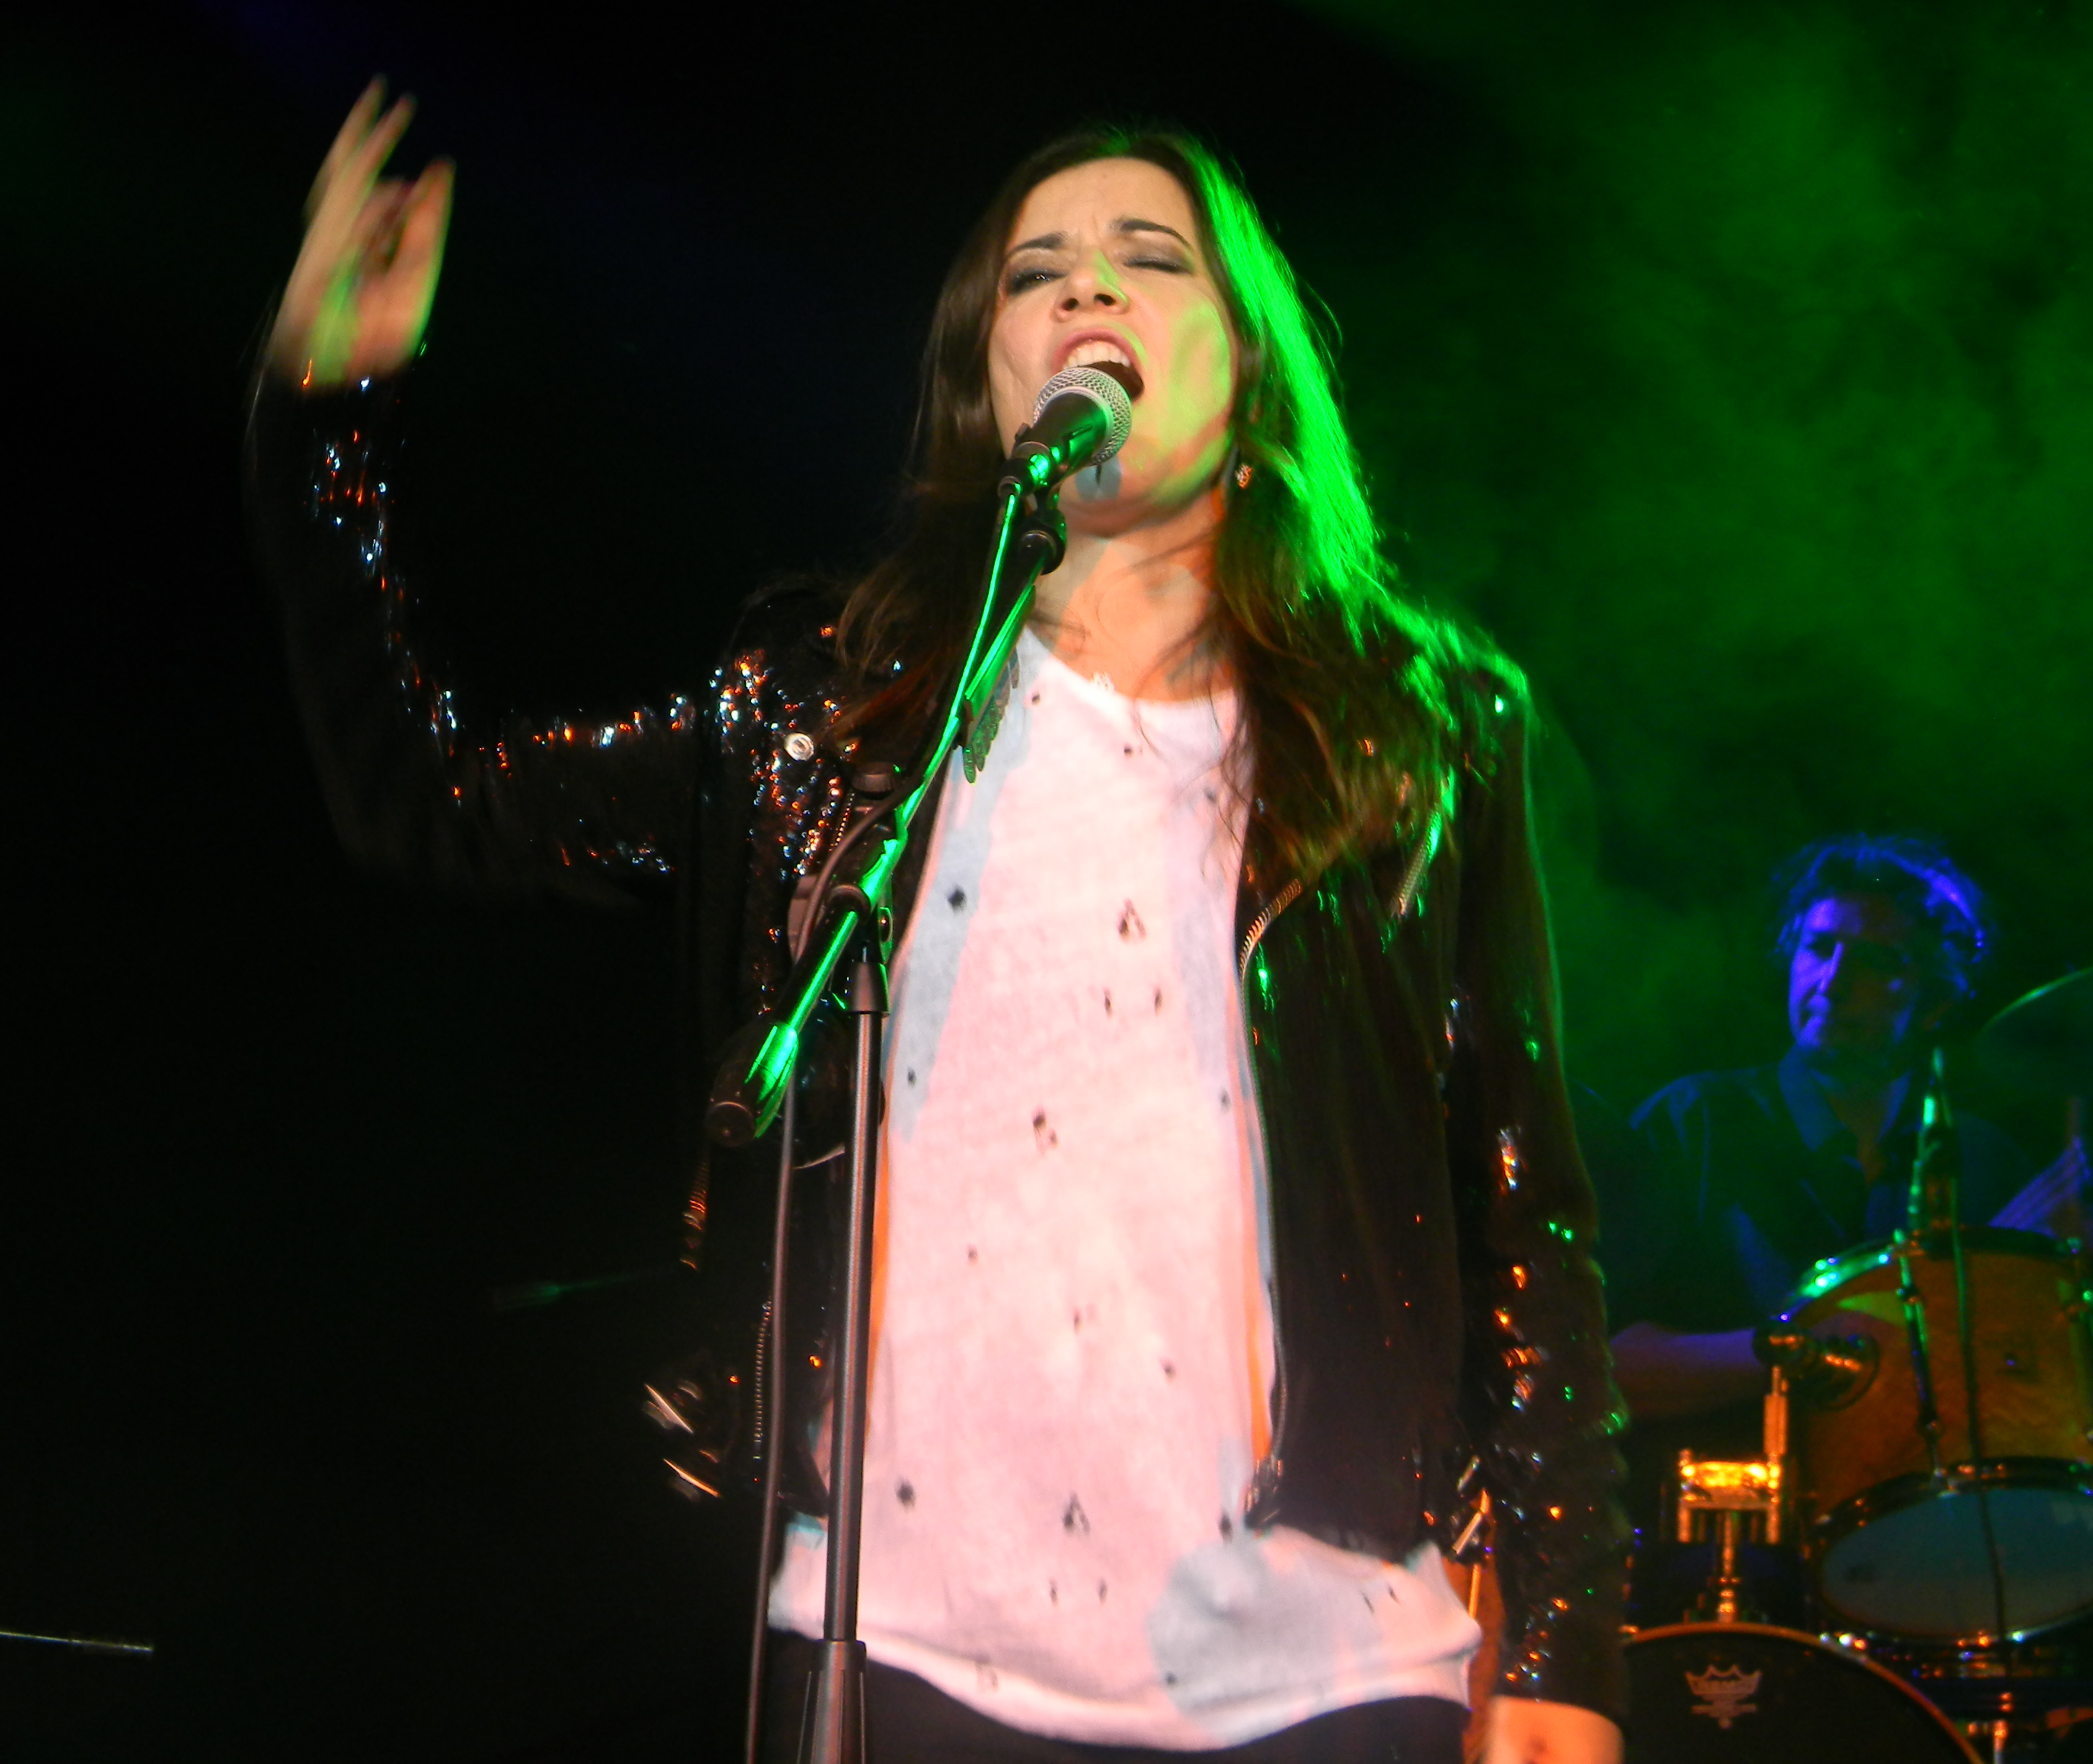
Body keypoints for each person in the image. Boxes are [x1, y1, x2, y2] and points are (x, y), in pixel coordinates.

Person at [248, 85, 1627, 1763]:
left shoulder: (1417, 727)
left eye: (1149, 257)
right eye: (1036, 273)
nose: (1086, 288)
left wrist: (1565, 1636)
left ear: (1252, 366)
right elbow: (433, 796)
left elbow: (1520, 1197)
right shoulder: (825, 712)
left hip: (1317, 1670)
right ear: (990, 380)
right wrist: (322, 422)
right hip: (897, 1652)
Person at [1600, 835, 2093, 1508]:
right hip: (1720, 1529)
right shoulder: (1696, 1121)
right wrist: (1808, 1349)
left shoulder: (1985, 1161)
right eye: (1818, 948)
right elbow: (1608, 1368)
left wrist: (2068, 1297)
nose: (1832, 981)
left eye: (1873, 961)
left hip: (1933, 1529)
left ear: (1935, 998)